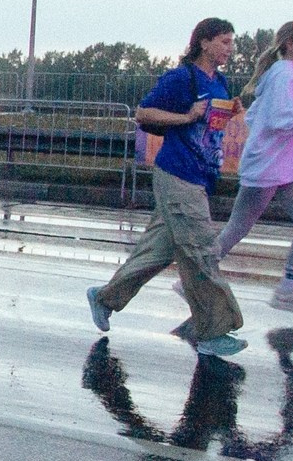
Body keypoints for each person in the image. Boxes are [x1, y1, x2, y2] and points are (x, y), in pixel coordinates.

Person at [84, 18, 248, 358]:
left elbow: (212, 126)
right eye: (224, 41)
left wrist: (231, 113)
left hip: (202, 176)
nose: (229, 48)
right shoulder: (182, 78)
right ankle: (212, 331)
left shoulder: (221, 82)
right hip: (178, 174)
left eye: (231, 42)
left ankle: (104, 297)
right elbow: (144, 114)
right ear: (204, 43)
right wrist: (186, 117)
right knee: (201, 250)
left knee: (157, 252)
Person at [216, 20, 293, 317]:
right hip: (268, 168)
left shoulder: (286, 74)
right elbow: (282, 120)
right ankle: (191, 277)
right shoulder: (284, 76)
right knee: (239, 227)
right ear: (291, 43)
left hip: (283, 167)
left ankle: (287, 290)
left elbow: (256, 116)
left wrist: (275, 141)